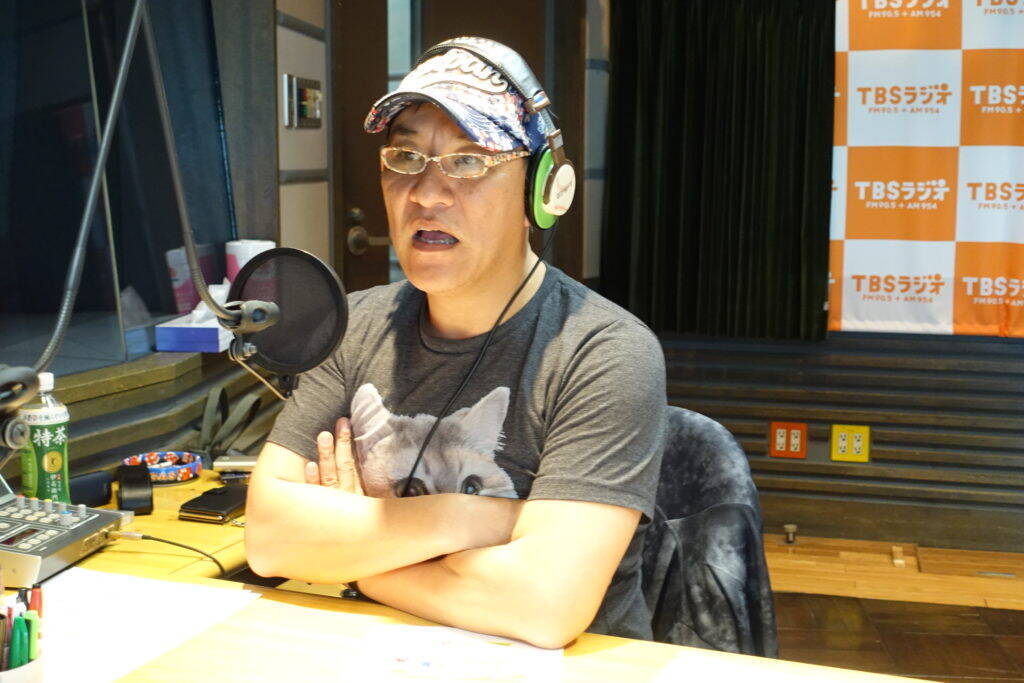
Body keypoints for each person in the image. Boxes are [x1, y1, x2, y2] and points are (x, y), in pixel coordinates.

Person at [245, 38, 666, 649]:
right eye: (405, 157)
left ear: (540, 190)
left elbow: (544, 608)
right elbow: (269, 539)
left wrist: (355, 555)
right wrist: (474, 517)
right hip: (377, 652)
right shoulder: (351, 327)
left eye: (469, 161)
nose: (426, 194)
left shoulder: (605, 353)